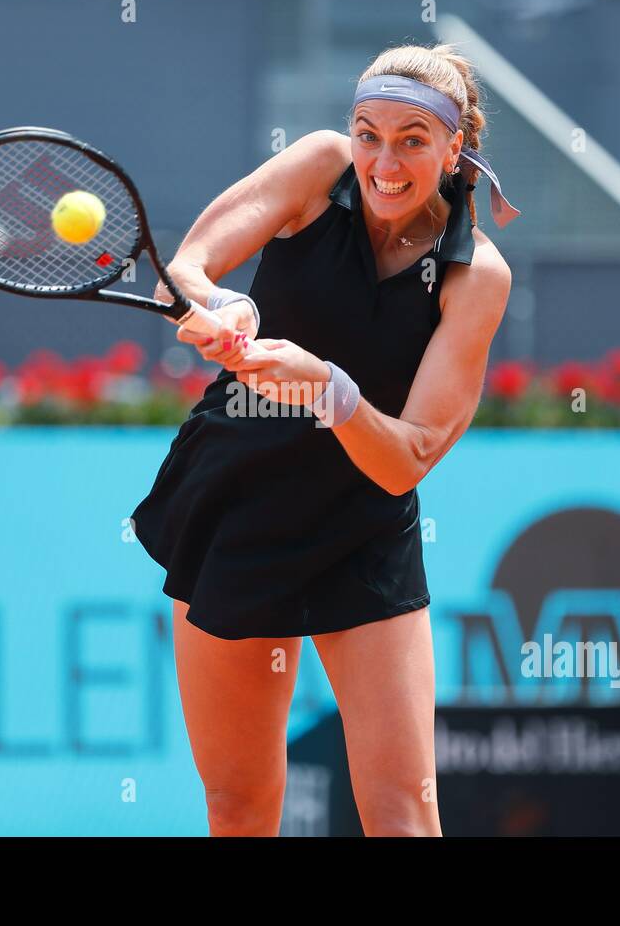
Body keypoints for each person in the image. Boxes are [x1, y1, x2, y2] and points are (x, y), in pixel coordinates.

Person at [130, 43, 516, 836]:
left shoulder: (477, 275)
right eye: (368, 132)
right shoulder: (316, 167)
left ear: (455, 148)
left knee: (404, 813)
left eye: (414, 139)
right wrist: (223, 307)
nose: (383, 161)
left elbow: (406, 459)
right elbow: (190, 268)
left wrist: (326, 389)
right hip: (234, 504)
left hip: (362, 527)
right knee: (239, 808)